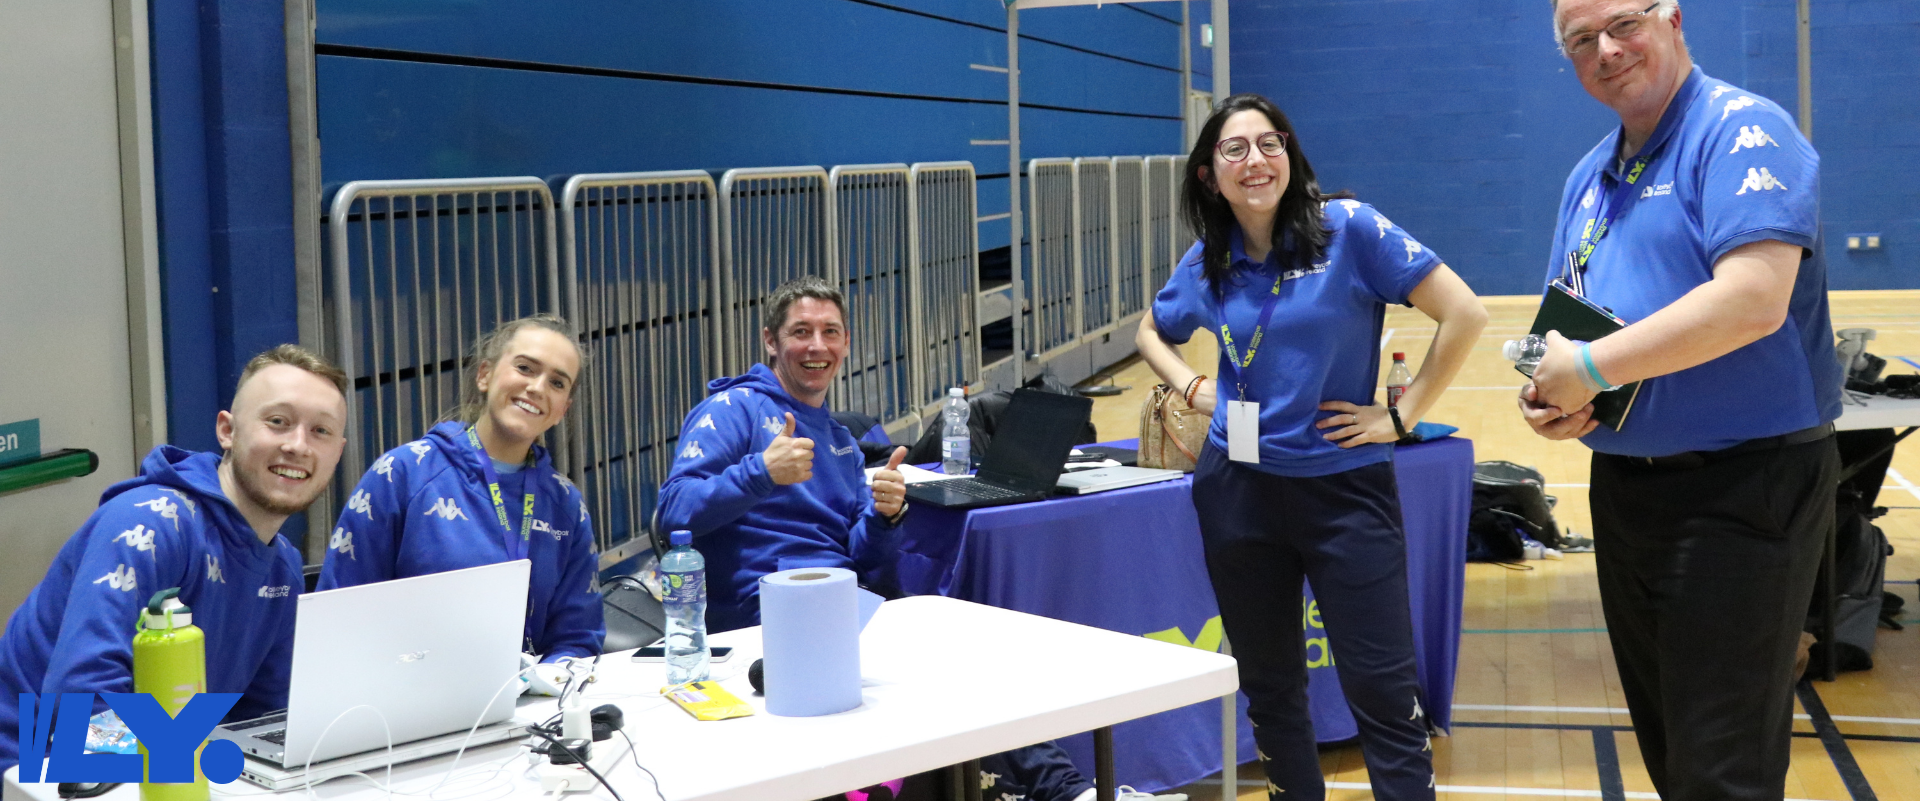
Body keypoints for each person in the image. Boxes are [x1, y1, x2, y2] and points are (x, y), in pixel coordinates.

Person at [1520, 0, 1841, 801]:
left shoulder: (1740, 130)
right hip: (1629, 492)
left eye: (1623, 24)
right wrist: (1555, 394)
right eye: (1581, 41)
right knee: (1672, 755)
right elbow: (1571, 319)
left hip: (1743, 489)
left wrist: (1589, 365)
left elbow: (1753, 301)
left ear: (1672, 19)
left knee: (1720, 771)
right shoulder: (1590, 176)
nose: (1606, 51)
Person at [658, 276, 1176, 801]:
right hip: (766, 616)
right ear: (771, 341)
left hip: (843, 605)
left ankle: (1069, 791)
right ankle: (1069, 793)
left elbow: (868, 565)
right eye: (801, 332)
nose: (817, 346)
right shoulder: (733, 410)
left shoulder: (839, 440)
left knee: (980, 645)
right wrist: (759, 472)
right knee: (950, 657)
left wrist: (884, 518)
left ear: (846, 343)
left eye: (830, 332)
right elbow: (672, 513)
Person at [1135, 93, 1487, 801]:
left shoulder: (1348, 229)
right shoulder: (1208, 260)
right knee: (1270, 689)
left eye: (1271, 143)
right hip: (1237, 490)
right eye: (1235, 149)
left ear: (1291, 155)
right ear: (1209, 174)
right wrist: (1193, 386)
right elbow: (1151, 330)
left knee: (1383, 691)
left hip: (1344, 491)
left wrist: (1402, 416)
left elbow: (1465, 313)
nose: (1256, 160)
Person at [0, 346, 350, 775]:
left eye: (320, 431)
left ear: (338, 452)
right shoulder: (145, 525)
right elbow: (82, 705)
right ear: (227, 430)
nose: (297, 445)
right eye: (277, 421)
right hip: (36, 771)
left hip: (165, 767)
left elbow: (263, 720)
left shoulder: (283, 567)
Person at [319, 315, 603, 662]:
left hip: (527, 694)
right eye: (525, 368)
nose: (538, 388)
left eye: (557, 383)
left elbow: (578, 639)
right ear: (485, 375)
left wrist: (546, 678)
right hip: (407, 690)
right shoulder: (402, 474)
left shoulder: (566, 505)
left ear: (562, 410)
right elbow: (339, 617)